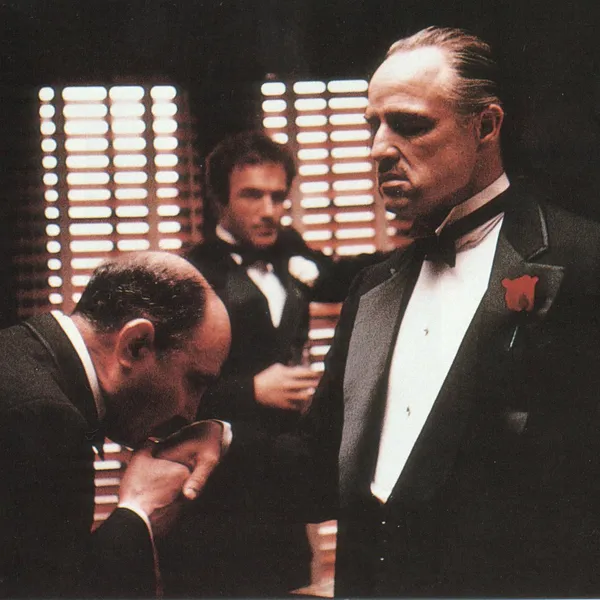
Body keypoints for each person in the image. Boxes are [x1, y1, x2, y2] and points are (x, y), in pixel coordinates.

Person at [209, 27, 600, 598]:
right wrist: (221, 441)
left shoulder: (583, 264)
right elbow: (322, 466)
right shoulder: (373, 287)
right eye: (373, 125)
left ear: (486, 126)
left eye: (409, 125)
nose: (378, 149)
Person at [159, 131, 383, 597]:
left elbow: (350, 277)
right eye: (252, 195)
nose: (269, 210)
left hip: (283, 480)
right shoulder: (189, 273)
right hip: (216, 490)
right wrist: (250, 391)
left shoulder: (291, 250)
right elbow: (162, 390)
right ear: (220, 199)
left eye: (278, 197)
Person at [0, 251, 231, 598]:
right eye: (194, 382)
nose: (191, 412)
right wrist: (138, 512)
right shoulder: (44, 419)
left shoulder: (19, 353)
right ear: (135, 345)